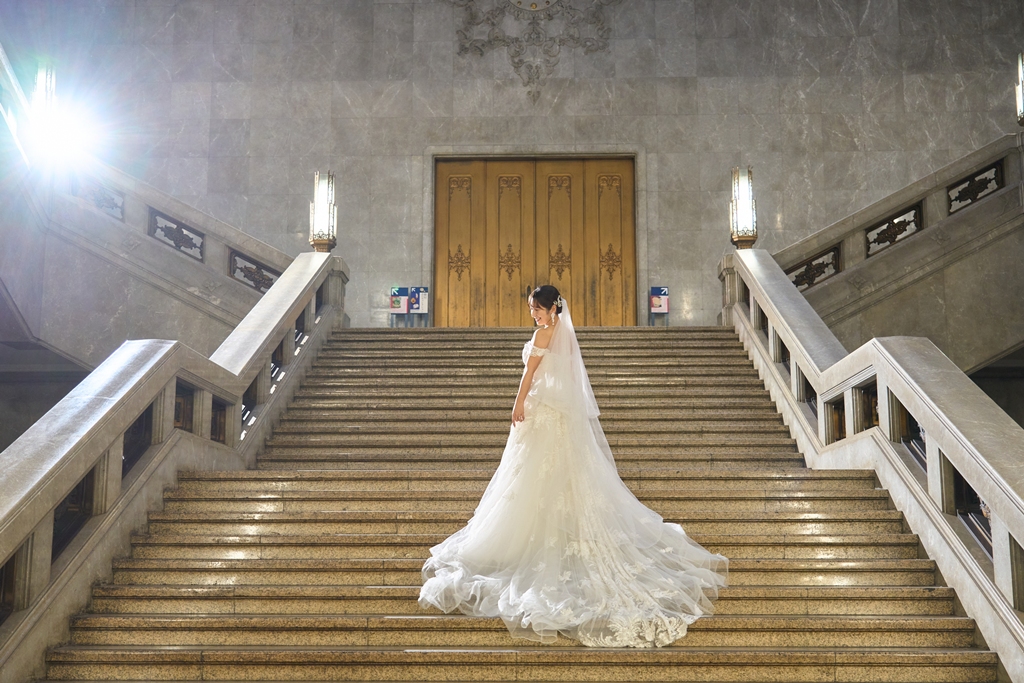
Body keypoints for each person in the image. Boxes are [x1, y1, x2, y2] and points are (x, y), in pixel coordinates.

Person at [418, 285, 728, 647]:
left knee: (533, 479)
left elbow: (531, 374)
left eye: (536, 308)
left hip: (541, 413)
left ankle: (541, 540)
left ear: (551, 308)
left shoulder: (543, 333)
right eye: (531, 308)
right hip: (559, 415)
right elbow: (563, 379)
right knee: (554, 478)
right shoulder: (562, 335)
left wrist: (517, 404)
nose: (532, 313)